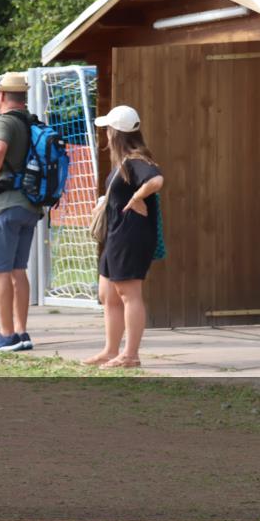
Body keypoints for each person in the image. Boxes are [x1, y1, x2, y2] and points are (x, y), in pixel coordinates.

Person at [83, 105, 163, 369]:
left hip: (131, 236)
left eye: (108, 129)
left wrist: (137, 197)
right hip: (116, 235)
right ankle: (110, 350)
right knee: (108, 294)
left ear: (116, 133)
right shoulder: (122, 163)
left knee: (129, 293)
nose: (105, 133)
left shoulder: (136, 160)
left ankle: (131, 355)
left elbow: (157, 180)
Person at [0, 72, 41, 353]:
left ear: (1, 96)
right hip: (28, 205)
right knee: (17, 270)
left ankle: (5, 334)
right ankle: (21, 332)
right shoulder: (29, 122)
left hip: (2, 206)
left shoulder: (5, 121)